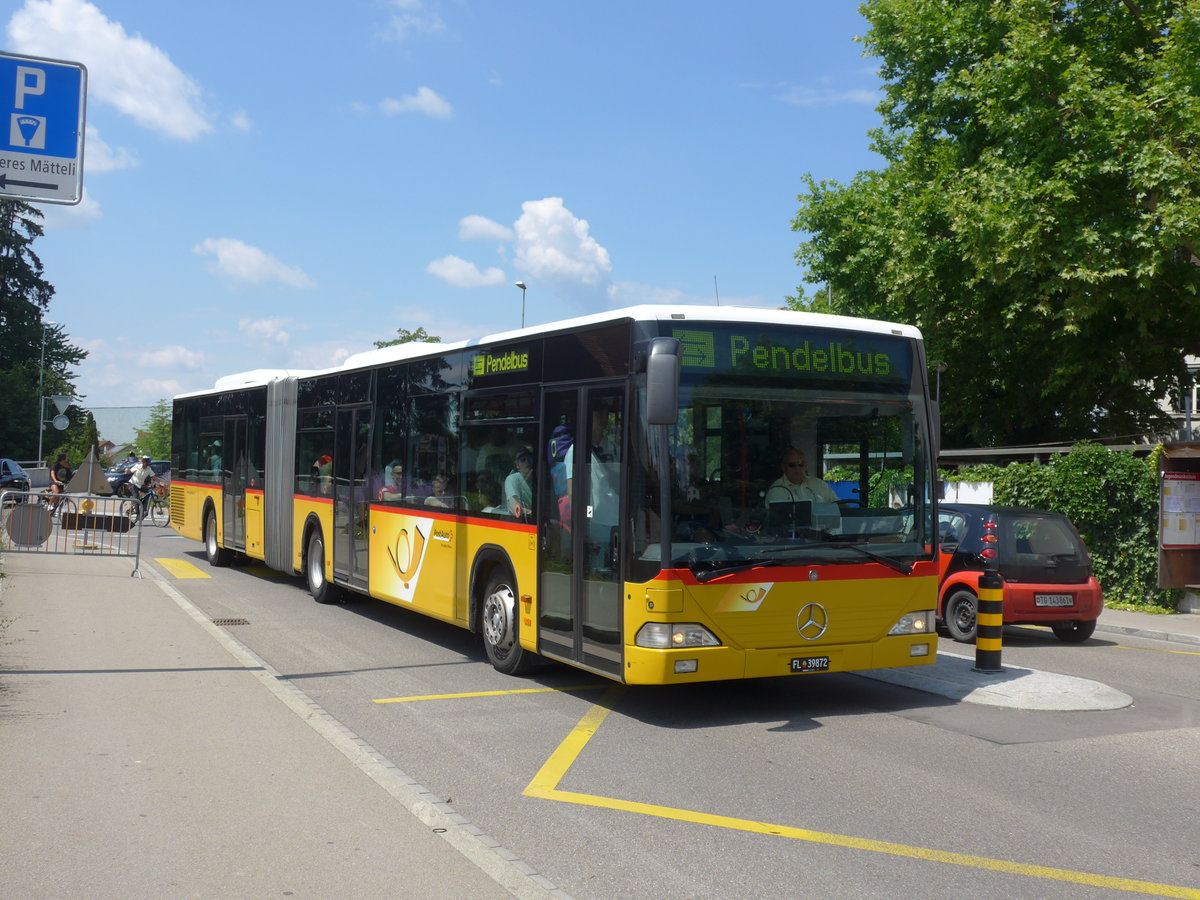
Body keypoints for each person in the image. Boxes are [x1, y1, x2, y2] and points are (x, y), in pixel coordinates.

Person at [764, 447, 839, 506]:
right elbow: (777, 521)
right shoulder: (776, 490)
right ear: (783, 467)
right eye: (792, 465)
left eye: (800, 465)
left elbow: (840, 505)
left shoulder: (819, 485)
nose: (797, 468)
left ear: (806, 466)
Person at [504, 447, 535, 519]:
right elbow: (516, 509)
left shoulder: (539, 478)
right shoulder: (512, 479)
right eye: (522, 460)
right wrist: (534, 513)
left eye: (529, 459)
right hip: (517, 523)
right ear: (517, 465)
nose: (527, 462)